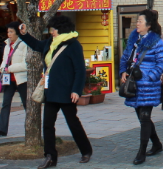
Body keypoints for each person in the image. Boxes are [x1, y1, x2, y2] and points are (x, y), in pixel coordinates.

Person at [19, 17, 93, 169]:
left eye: (53, 29)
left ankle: (86, 151)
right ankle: (50, 156)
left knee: (73, 123)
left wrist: (76, 91)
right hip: (51, 91)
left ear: (61, 29)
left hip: (67, 92)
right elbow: (35, 45)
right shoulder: (49, 43)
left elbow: (80, 70)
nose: (51, 31)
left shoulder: (73, 45)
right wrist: (24, 34)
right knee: (47, 125)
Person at [119, 10, 163, 165]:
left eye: (140, 21)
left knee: (145, 117)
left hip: (148, 87)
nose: (137, 24)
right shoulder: (134, 39)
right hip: (134, 85)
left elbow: (162, 63)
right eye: (137, 21)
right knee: (142, 117)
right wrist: (122, 72)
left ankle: (142, 152)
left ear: (148, 25)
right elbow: (125, 57)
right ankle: (157, 145)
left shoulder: (156, 42)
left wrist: (149, 77)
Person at [0, 21, 28, 136]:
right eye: (8, 32)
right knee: (5, 103)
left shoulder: (24, 44)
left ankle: (30, 128)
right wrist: (2, 69)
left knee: (27, 104)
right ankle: (2, 129)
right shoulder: (7, 45)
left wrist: (9, 69)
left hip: (21, 79)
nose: (9, 34)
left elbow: (25, 65)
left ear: (17, 32)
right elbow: (4, 61)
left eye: (11, 32)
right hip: (8, 79)